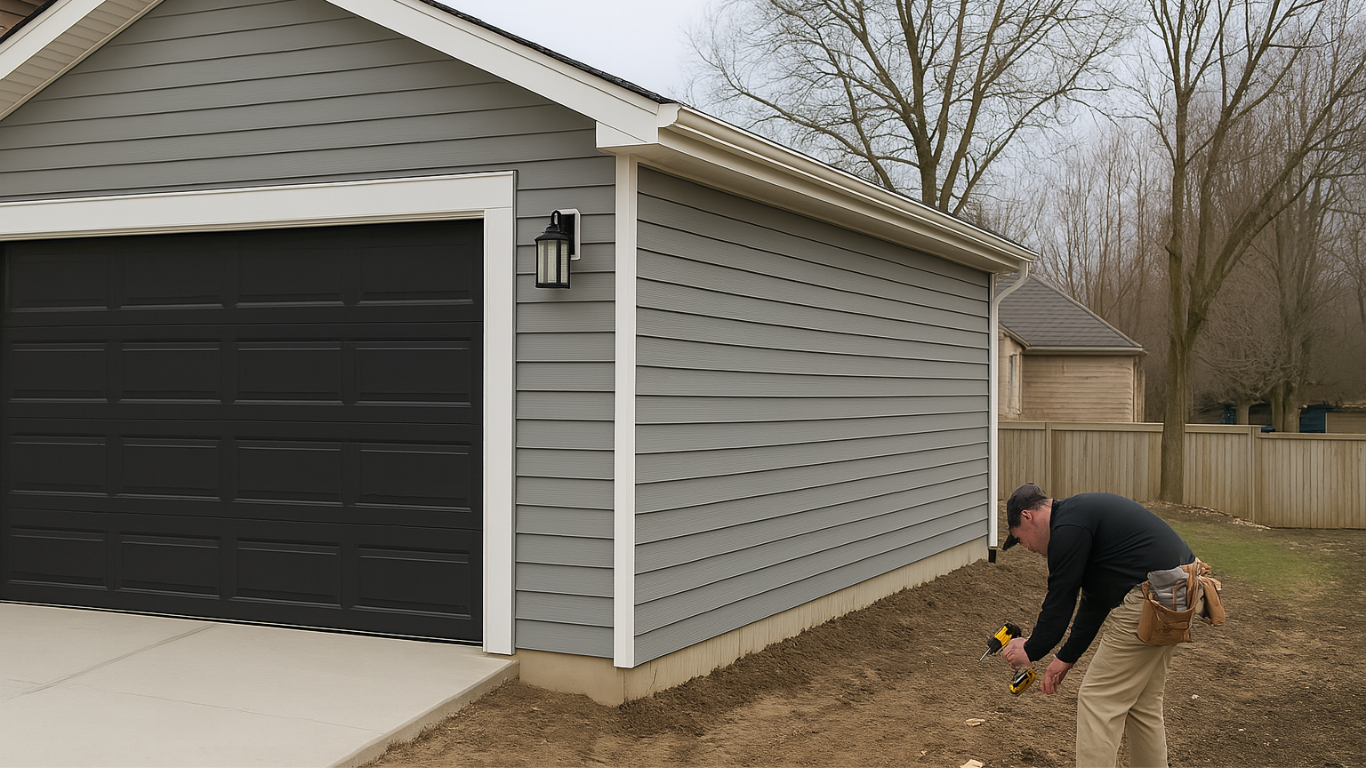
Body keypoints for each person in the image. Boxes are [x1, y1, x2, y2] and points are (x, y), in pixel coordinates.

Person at [998, 483, 1196, 768]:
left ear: (1028, 517)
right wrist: (1064, 658)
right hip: (1181, 589)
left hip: (1152, 597)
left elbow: (1061, 598)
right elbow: (1095, 602)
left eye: (1019, 538)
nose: (1026, 547)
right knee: (1143, 703)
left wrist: (1030, 649)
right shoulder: (1078, 519)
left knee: (1097, 699)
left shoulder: (1067, 530)